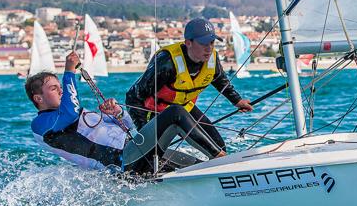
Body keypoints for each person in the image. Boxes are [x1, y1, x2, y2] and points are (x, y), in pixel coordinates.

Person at [26, 51, 226, 174]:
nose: (61, 89)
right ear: (38, 98)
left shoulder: (83, 115)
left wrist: (118, 113)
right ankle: (219, 156)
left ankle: (221, 164)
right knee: (175, 113)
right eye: (53, 88)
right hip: (124, 163)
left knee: (200, 168)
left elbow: (129, 127)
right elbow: (69, 112)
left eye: (60, 86)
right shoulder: (42, 125)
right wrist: (69, 72)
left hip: (137, 152)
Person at [125, 18, 253, 153]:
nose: (209, 48)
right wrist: (144, 132)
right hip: (156, 114)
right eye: (204, 43)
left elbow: (220, 80)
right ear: (188, 43)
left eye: (212, 42)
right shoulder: (167, 62)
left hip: (184, 109)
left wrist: (237, 101)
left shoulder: (212, 59)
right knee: (176, 113)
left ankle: (216, 162)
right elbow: (133, 97)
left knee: (219, 147)